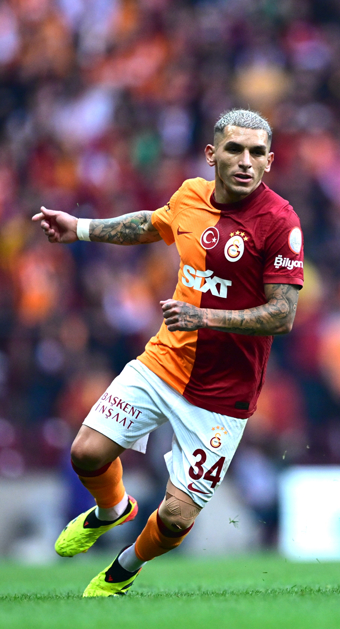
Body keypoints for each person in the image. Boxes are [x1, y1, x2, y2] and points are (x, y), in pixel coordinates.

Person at [32, 109, 304, 597]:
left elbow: (282, 315)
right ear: (211, 154)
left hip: (224, 395)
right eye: (235, 150)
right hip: (164, 363)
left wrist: (205, 317)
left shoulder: (280, 221)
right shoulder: (190, 196)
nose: (245, 161)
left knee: (176, 518)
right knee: (85, 453)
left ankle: (125, 566)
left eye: (257, 153)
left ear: (269, 161)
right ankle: (113, 510)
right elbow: (150, 224)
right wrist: (80, 228)